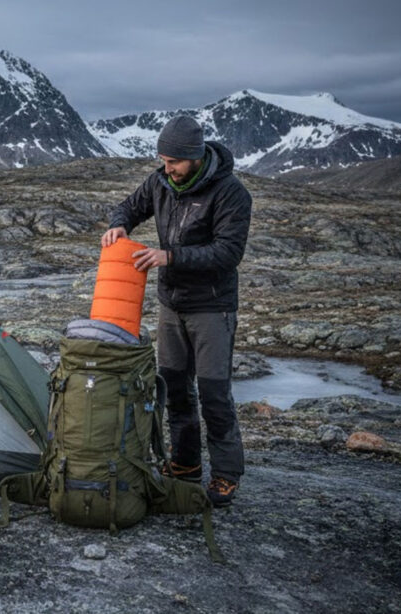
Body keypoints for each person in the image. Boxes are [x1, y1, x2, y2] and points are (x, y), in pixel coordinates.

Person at [101, 115, 252, 507]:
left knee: (215, 393)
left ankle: (225, 474)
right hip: (172, 305)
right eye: (163, 160)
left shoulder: (230, 193)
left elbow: (227, 253)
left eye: (174, 162)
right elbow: (129, 206)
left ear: (196, 156)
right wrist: (119, 224)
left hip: (212, 307)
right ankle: (185, 463)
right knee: (175, 388)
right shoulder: (160, 182)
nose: (167, 168)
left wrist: (170, 256)